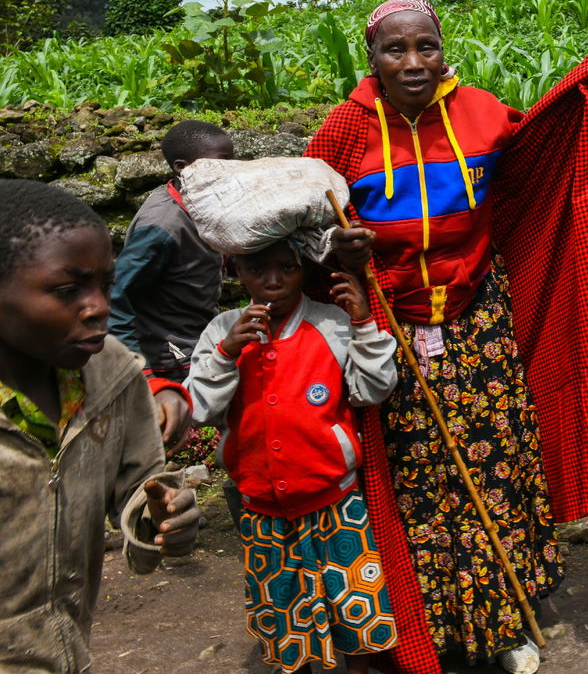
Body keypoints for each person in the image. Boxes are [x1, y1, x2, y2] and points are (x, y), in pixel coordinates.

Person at [304, 0, 588, 674]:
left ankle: (502, 616)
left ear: (443, 48)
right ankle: (432, 620)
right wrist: (335, 246)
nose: (413, 62)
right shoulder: (344, 130)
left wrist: (585, 97)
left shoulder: (481, 113)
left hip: (477, 319)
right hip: (390, 327)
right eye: (395, 49)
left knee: (492, 462)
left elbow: (536, 167)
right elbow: (300, 220)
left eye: (426, 46)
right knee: (419, 475)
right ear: (372, 58)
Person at [0, 180, 200, 674]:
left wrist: (165, 515)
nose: (98, 307)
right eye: (68, 290)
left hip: (69, 655)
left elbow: (139, 487)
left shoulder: (114, 374)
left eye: (105, 285)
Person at [187, 241, 398, 674]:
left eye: (287, 267)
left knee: (354, 610)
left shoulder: (331, 323)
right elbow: (200, 408)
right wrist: (227, 352)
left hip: (334, 502)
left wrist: (362, 323)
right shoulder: (222, 330)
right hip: (261, 508)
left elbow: (373, 390)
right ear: (237, 273)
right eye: (257, 270)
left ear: (305, 271)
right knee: (283, 615)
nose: (273, 280)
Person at [110, 118, 235, 450]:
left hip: (193, 338)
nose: (230, 172)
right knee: (165, 435)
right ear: (182, 168)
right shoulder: (161, 226)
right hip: (168, 354)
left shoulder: (200, 205)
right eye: (220, 164)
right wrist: (144, 375)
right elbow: (116, 301)